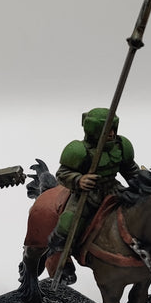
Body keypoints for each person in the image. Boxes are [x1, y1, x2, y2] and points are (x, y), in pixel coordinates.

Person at [50, 107, 138, 258]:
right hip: (88, 194)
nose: (111, 133)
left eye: (113, 129)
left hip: (114, 189)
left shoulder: (121, 146)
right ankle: (58, 255)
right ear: (94, 130)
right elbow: (62, 174)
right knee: (69, 223)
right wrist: (79, 180)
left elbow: (131, 171)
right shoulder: (78, 150)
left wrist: (145, 184)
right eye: (106, 130)